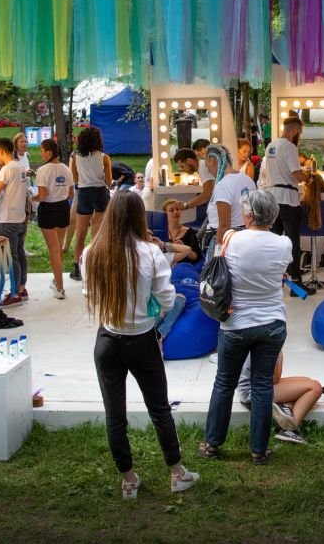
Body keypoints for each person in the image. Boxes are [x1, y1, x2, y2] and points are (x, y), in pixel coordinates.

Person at [82, 191, 199, 499]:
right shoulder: (150, 253)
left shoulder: (92, 252)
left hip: (107, 340)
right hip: (142, 339)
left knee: (114, 415)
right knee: (159, 409)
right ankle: (177, 473)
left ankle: (128, 479)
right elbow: (168, 299)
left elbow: (89, 296)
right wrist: (150, 306)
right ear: (138, 217)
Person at [198, 189, 292, 465]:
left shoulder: (231, 238)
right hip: (272, 322)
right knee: (262, 386)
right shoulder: (284, 243)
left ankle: (212, 443)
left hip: (235, 324)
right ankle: (258, 451)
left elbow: (220, 265)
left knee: (224, 383)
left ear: (249, 214)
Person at [236, 351, 323, 445]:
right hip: (254, 393)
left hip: (252, 387)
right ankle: (289, 430)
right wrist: (279, 354)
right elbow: (275, 379)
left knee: (306, 380)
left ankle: (285, 408)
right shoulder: (270, 343)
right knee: (315, 388)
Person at [260, 116, 307, 288]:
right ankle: (295, 282)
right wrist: (308, 177)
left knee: (274, 242)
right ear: (294, 130)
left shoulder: (270, 146)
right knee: (292, 243)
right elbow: (296, 174)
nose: (298, 135)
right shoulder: (290, 147)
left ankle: (273, 280)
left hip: (273, 200)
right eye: (299, 132)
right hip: (288, 200)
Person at [0, 138, 30, 306]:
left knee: (11, 257)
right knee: (19, 253)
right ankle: (21, 288)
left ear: (1, 151)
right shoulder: (20, 167)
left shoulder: (6, 169)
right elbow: (8, 186)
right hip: (20, 217)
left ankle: (14, 293)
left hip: (8, 219)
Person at [70, 126, 113, 282]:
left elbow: (74, 178)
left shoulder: (75, 157)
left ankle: (77, 267)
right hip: (100, 194)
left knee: (80, 234)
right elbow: (109, 182)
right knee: (97, 235)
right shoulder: (104, 158)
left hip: (84, 194)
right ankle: (96, 266)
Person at [34, 138, 73, 300]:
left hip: (48, 210)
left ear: (49, 152)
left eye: (42, 151)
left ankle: (60, 288)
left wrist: (31, 198)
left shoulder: (42, 170)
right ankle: (57, 280)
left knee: (54, 250)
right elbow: (71, 194)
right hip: (63, 208)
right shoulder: (66, 168)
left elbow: (42, 196)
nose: (41, 154)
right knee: (58, 247)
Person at [204, 144, 256, 257]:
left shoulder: (223, 185)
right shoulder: (248, 181)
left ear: (212, 160)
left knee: (215, 268)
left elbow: (224, 225)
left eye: (207, 165)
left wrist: (217, 255)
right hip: (244, 238)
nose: (208, 170)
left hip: (224, 239)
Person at [159, 200, 201, 265]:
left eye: (178, 209)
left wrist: (183, 247)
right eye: (171, 210)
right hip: (165, 265)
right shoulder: (159, 231)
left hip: (184, 265)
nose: (176, 212)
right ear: (165, 214)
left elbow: (195, 257)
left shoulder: (189, 232)